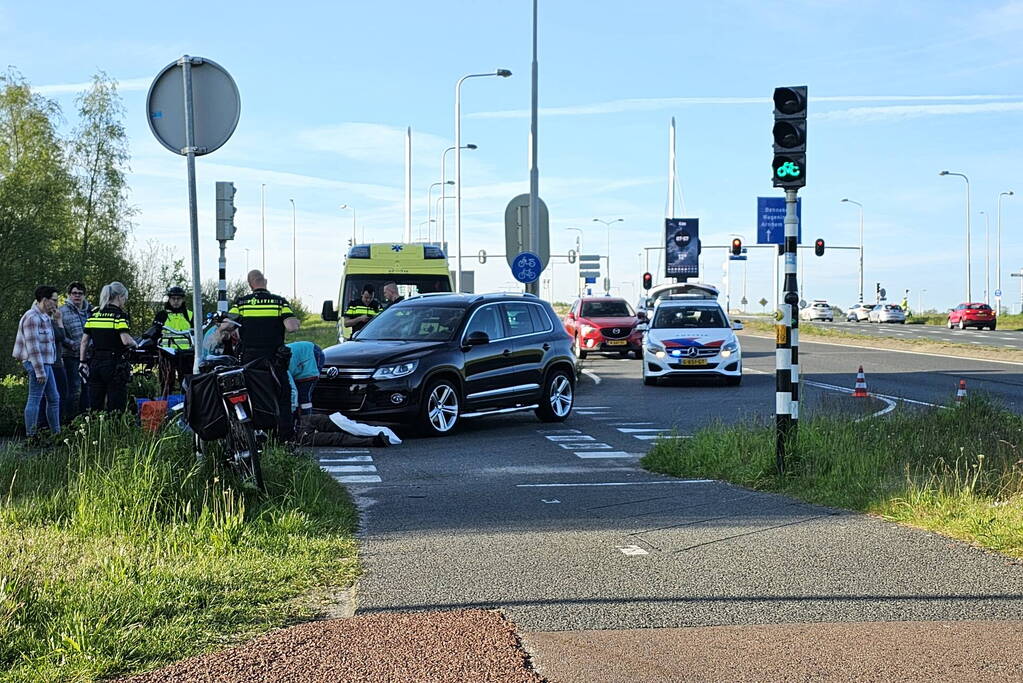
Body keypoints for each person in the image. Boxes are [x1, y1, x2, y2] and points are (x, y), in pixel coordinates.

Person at [229, 270, 300, 440]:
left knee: (252, 396)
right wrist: (296, 321)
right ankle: (284, 439)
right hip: (275, 360)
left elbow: (227, 325)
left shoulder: (242, 303)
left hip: (250, 361)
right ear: (265, 281)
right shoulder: (279, 302)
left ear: (250, 284)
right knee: (282, 395)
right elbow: (291, 327)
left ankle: (255, 435)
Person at [12, 286, 62, 439]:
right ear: (45, 300)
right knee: (34, 398)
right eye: (54, 300)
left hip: (46, 363)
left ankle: (56, 434)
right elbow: (33, 348)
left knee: (54, 398)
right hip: (37, 364)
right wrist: (39, 371)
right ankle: (31, 436)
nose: (56, 304)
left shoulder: (45, 317)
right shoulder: (32, 318)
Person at [80, 282, 137, 412]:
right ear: (119, 297)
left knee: (95, 402)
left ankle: (95, 428)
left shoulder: (94, 315)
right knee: (116, 404)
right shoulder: (119, 316)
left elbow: (84, 342)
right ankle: (115, 430)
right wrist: (135, 343)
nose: (124, 302)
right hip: (114, 364)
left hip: (95, 363)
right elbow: (125, 340)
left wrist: (82, 362)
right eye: (124, 299)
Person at [59, 281, 92, 420]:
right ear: (69, 295)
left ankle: (86, 418)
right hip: (71, 356)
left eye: (80, 293)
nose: (77, 296)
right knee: (74, 389)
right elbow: (60, 335)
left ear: (84, 295)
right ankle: (70, 420)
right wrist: (74, 345)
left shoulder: (90, 311)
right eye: (74, 293)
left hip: (89, 355)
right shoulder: (61, 311)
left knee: (88, 388)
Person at [153, 285, 194, 393]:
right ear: (169, 299)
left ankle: (187, 404)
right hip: (167, 353)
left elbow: (196, 333)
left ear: (183, 299)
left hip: (186, 353)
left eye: (178, 299)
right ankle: (165, 404)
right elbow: (155, 332)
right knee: (166, 382)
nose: (176, 301)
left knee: (186, 382)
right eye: (173, 299)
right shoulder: (162, 315)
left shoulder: (189, 315)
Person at [286, 341, 324, 417]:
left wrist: (291, 412)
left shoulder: (280, 368)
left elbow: (292, 389)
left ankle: (306, 425)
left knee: (304, 396)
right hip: (300, 358)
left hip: (311, 355)